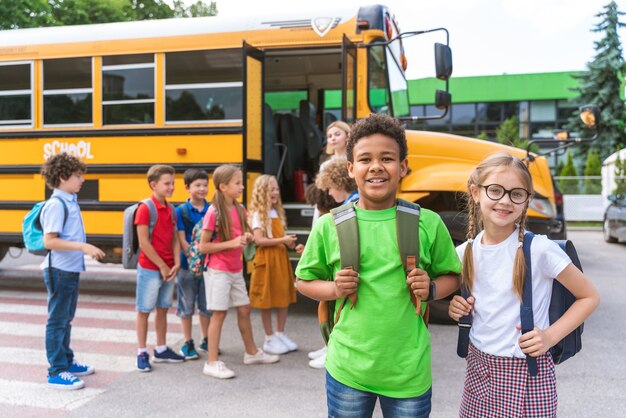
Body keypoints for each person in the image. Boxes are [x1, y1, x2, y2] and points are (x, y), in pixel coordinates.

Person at [296, 113, 461, 417]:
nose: (376, 166)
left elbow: (452, 275)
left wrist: (433, 288)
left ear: (403, 167)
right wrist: (333, 288)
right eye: (365, 159)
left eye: (387, 158)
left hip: (408, 372)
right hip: (347, 369)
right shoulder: (328, 225)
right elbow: (304, 281)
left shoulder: (429, 223)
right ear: (351, 168)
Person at [448, 152, 600, 417]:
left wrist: (550, 336)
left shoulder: (539, 249)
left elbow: (589, 296)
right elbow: (470, 302)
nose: (505, 201)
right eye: (495, 190)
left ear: (526, 200)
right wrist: (456, 308)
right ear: (476, 192)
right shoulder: (465, 252)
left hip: (528, 375)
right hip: (479, 370)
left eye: (516, 194)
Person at [200, 164, 280, 379]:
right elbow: (203, 246)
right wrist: (233, 242)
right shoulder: (213, 212)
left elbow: (241, 234)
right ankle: (211, 361)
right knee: (219, 314)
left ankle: (252, 352)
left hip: (235, 269)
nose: (242, 186)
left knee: (244, 309)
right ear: (223, 186)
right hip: (218, 270)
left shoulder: (239, 208)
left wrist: (246, 238)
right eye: (237, 183)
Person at [40, 153, 105, 390]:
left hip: (68, 270)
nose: (82, 180)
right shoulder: (56, 205)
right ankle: (56, 371)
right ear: (63, 177)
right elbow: (50, 241)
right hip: (59, 270)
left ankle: (66, 361)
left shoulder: (69, 200)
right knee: (57, 321)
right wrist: (82, 246)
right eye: (78, 176)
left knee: (65, 319)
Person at [306, 157, 359, 369]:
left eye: (329, 188)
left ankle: (332, 348)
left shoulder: (348, 208)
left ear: (338, 183)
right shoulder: (353, 202)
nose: (328, 194)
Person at [135, 164, 185, 372]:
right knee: (144, 310)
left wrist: (176, 262)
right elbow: (143, 242)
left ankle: (161, 348)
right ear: (153, 184)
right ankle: (142, 352)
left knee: (163, 308)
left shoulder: (171, 209)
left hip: (167, 267)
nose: (172, 187)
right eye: (167, 184)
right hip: (150, 268)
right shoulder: (145, 208)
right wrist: (163, 266)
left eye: (173, 183)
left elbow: (174, 238)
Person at [248, 175, 304, 355]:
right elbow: (259, 240)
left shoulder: (277, 212)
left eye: (276, 189)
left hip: (279, 257)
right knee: (266, 299)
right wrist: (283, 240)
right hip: (266, 259)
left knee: (283, 295)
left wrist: (289, 243)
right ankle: (269, 337)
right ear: (262, 193)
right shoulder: (258, 214)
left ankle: (280, 333)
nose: (275, 193)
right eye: (271, 189)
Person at [175, 168, 212, 359]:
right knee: (187, 305)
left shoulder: (212, 208)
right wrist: (193, 256)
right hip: (186, 265)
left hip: (208, 264)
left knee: (206, 305)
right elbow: (181, 238)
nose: (203, 189)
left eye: (205, 185)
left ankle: (206, 339)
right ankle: (188, 341)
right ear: (187, 187)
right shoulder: (181, 210)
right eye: (198, 185)